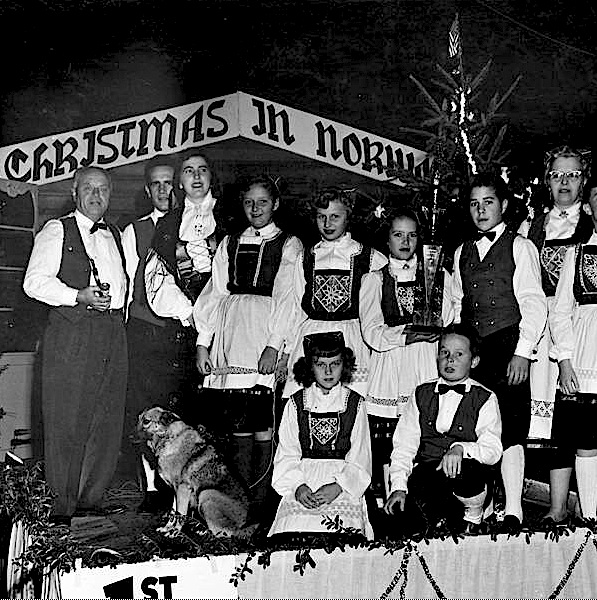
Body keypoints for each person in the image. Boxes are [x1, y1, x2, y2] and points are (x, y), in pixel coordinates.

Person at [23, 167, 128, 525]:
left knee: (105, 419)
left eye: (103, 189)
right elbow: (34, 283)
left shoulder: (114, 233)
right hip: (74, 333)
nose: (96, 196)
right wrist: (77, 295)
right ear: (74, 192)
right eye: (89, 189)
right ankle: (60, 508)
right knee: (66, 420)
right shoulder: (57, 229)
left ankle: (89, 502)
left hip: (112, 332)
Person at [193, 175, 302, 505]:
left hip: (264, 333)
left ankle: (262, 501)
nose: (255, 209)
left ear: (275, 204)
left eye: (262, 202)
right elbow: (215, 292)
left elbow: (288, 297)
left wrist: (274, 345)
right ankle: (238, 502)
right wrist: (203, 342)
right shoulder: (229, 243)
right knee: (237, 420)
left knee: (262, 419)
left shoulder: (288, 244)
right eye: (249, 202)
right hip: (232, 334)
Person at [451, 171, 547, 533]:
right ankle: (484, 505)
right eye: (474, 204)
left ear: (504, 205)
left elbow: (533, 302)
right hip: (474, 352)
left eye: (488, 202)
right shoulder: (462, 251)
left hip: (508, 345)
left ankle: (514, 510)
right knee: (478, 426)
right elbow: (457, 303)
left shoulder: (520, 247)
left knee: (511, 425)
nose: (480, 210)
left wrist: (523, 352)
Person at [519, 146, 592, 525]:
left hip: (576, 329)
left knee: (576, 417)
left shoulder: (592, 224)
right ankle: (556, 504)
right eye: (557, 175)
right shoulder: (531, 227)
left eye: (573, 174)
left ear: (584, 179)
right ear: (547, 181)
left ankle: (586, 502)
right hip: (537, 328)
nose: (564, 182)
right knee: (548, 422)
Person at [359, 208, 454, 497]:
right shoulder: (374, 280)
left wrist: (436, 321)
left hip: (424, 361)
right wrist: (405, 335)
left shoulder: (437, 274)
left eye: (412, 235)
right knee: (388, 442)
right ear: (387, 240)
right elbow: (372, 331)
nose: (405, 242)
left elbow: (449, 314)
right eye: (398, 235)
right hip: (391, 365)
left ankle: (424, 498)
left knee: (424, 433)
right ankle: (389, 498)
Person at [384, 324, 502, 536]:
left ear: (474, 361)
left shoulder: (485, 397)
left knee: (469, 473)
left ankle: (473, 518)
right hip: (429, 476)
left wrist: (461, 448)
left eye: (459, 354)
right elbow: (404, 446)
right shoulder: (421, 393)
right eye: (444, 353)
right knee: (408, 525)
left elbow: (493, 450)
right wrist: (399, 487)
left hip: (467, 478)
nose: (450, 360)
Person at [282, 188, 387, 400]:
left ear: (348, 217)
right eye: (322, 216)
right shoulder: (306, 257)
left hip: (352, 338)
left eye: (335, 217)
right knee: (307, 400)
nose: (327, 223)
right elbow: (296, 308)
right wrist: (286, 351)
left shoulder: (370, 258)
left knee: (351, 401)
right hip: (311, 336)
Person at [268, 332, 373, 539]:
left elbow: (361, 456)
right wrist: (298, 486)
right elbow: (287, 453)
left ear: (344, 365)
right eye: (320, 364)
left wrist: (339, 486)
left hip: (342, 482)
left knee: (343, 533)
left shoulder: (355, 403)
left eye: (335, 364)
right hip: (303, 479)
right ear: (309, 367)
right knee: (291, 531)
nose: (328, 371)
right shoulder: (295, 403)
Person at [144, 149, 223, 421]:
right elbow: (157, 276)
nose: (196, 176)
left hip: (226, 322)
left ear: (211, 176)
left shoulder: (230, 217)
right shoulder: (168, 223)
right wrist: (189, 313)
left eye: (202, 169)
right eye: (189, 171)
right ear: (180, 181)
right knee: (187, 407)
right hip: (185, 326)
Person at [121, 155, 178, 513]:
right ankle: (153, 488)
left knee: (179, 410)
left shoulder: (196, 227)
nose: (162, 190)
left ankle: (182, 488)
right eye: (156, 183)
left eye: (168, 182)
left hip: (185, 334)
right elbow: (128, 284)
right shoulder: (135, 230)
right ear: (147, 190)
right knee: (146, 409)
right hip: (145, 330)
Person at [549, 178, 597, 521]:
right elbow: (561, 311)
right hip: (585, 358)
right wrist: (565, 361)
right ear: (589, 207)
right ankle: (591, 519)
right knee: (585, 436)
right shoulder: (576, 254)